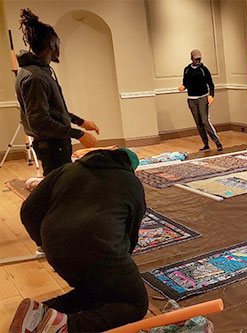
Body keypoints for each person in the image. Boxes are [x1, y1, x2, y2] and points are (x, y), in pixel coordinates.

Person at [10, 148, 148, 332]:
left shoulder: (65, 170)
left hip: (56, 251)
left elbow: (28, 211)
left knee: (97, 291)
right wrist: (117, 267)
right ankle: (66, 327)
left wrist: (43, 243)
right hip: (100, 251)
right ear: (130, 168)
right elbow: (130, 235)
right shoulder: (131, 183)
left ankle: (40, 312)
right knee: (135, 304)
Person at [16, 8, 99, 176]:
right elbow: (39, 121)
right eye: (58, 43)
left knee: (61, 187)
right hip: (52, 147)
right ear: (52, 45)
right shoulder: (35, 77)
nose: (59, 46)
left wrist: (80, 121)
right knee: (60, 190)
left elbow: (53, 111)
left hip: (55, 144)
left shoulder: (38, 72)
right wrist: (79, 134)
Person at [178, 49, 222, 152]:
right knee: (199, 123)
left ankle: (217, 142)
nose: (198, 61)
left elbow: (210, 84)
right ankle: (205, 144)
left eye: (199, 59)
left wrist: (211, 95)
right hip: (192, 99)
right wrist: (183, 87)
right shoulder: (187, 70)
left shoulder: (204, 69)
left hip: (202, 97)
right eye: (196, 59)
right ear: (191, 58)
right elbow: (185, 82)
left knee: (205, 121)